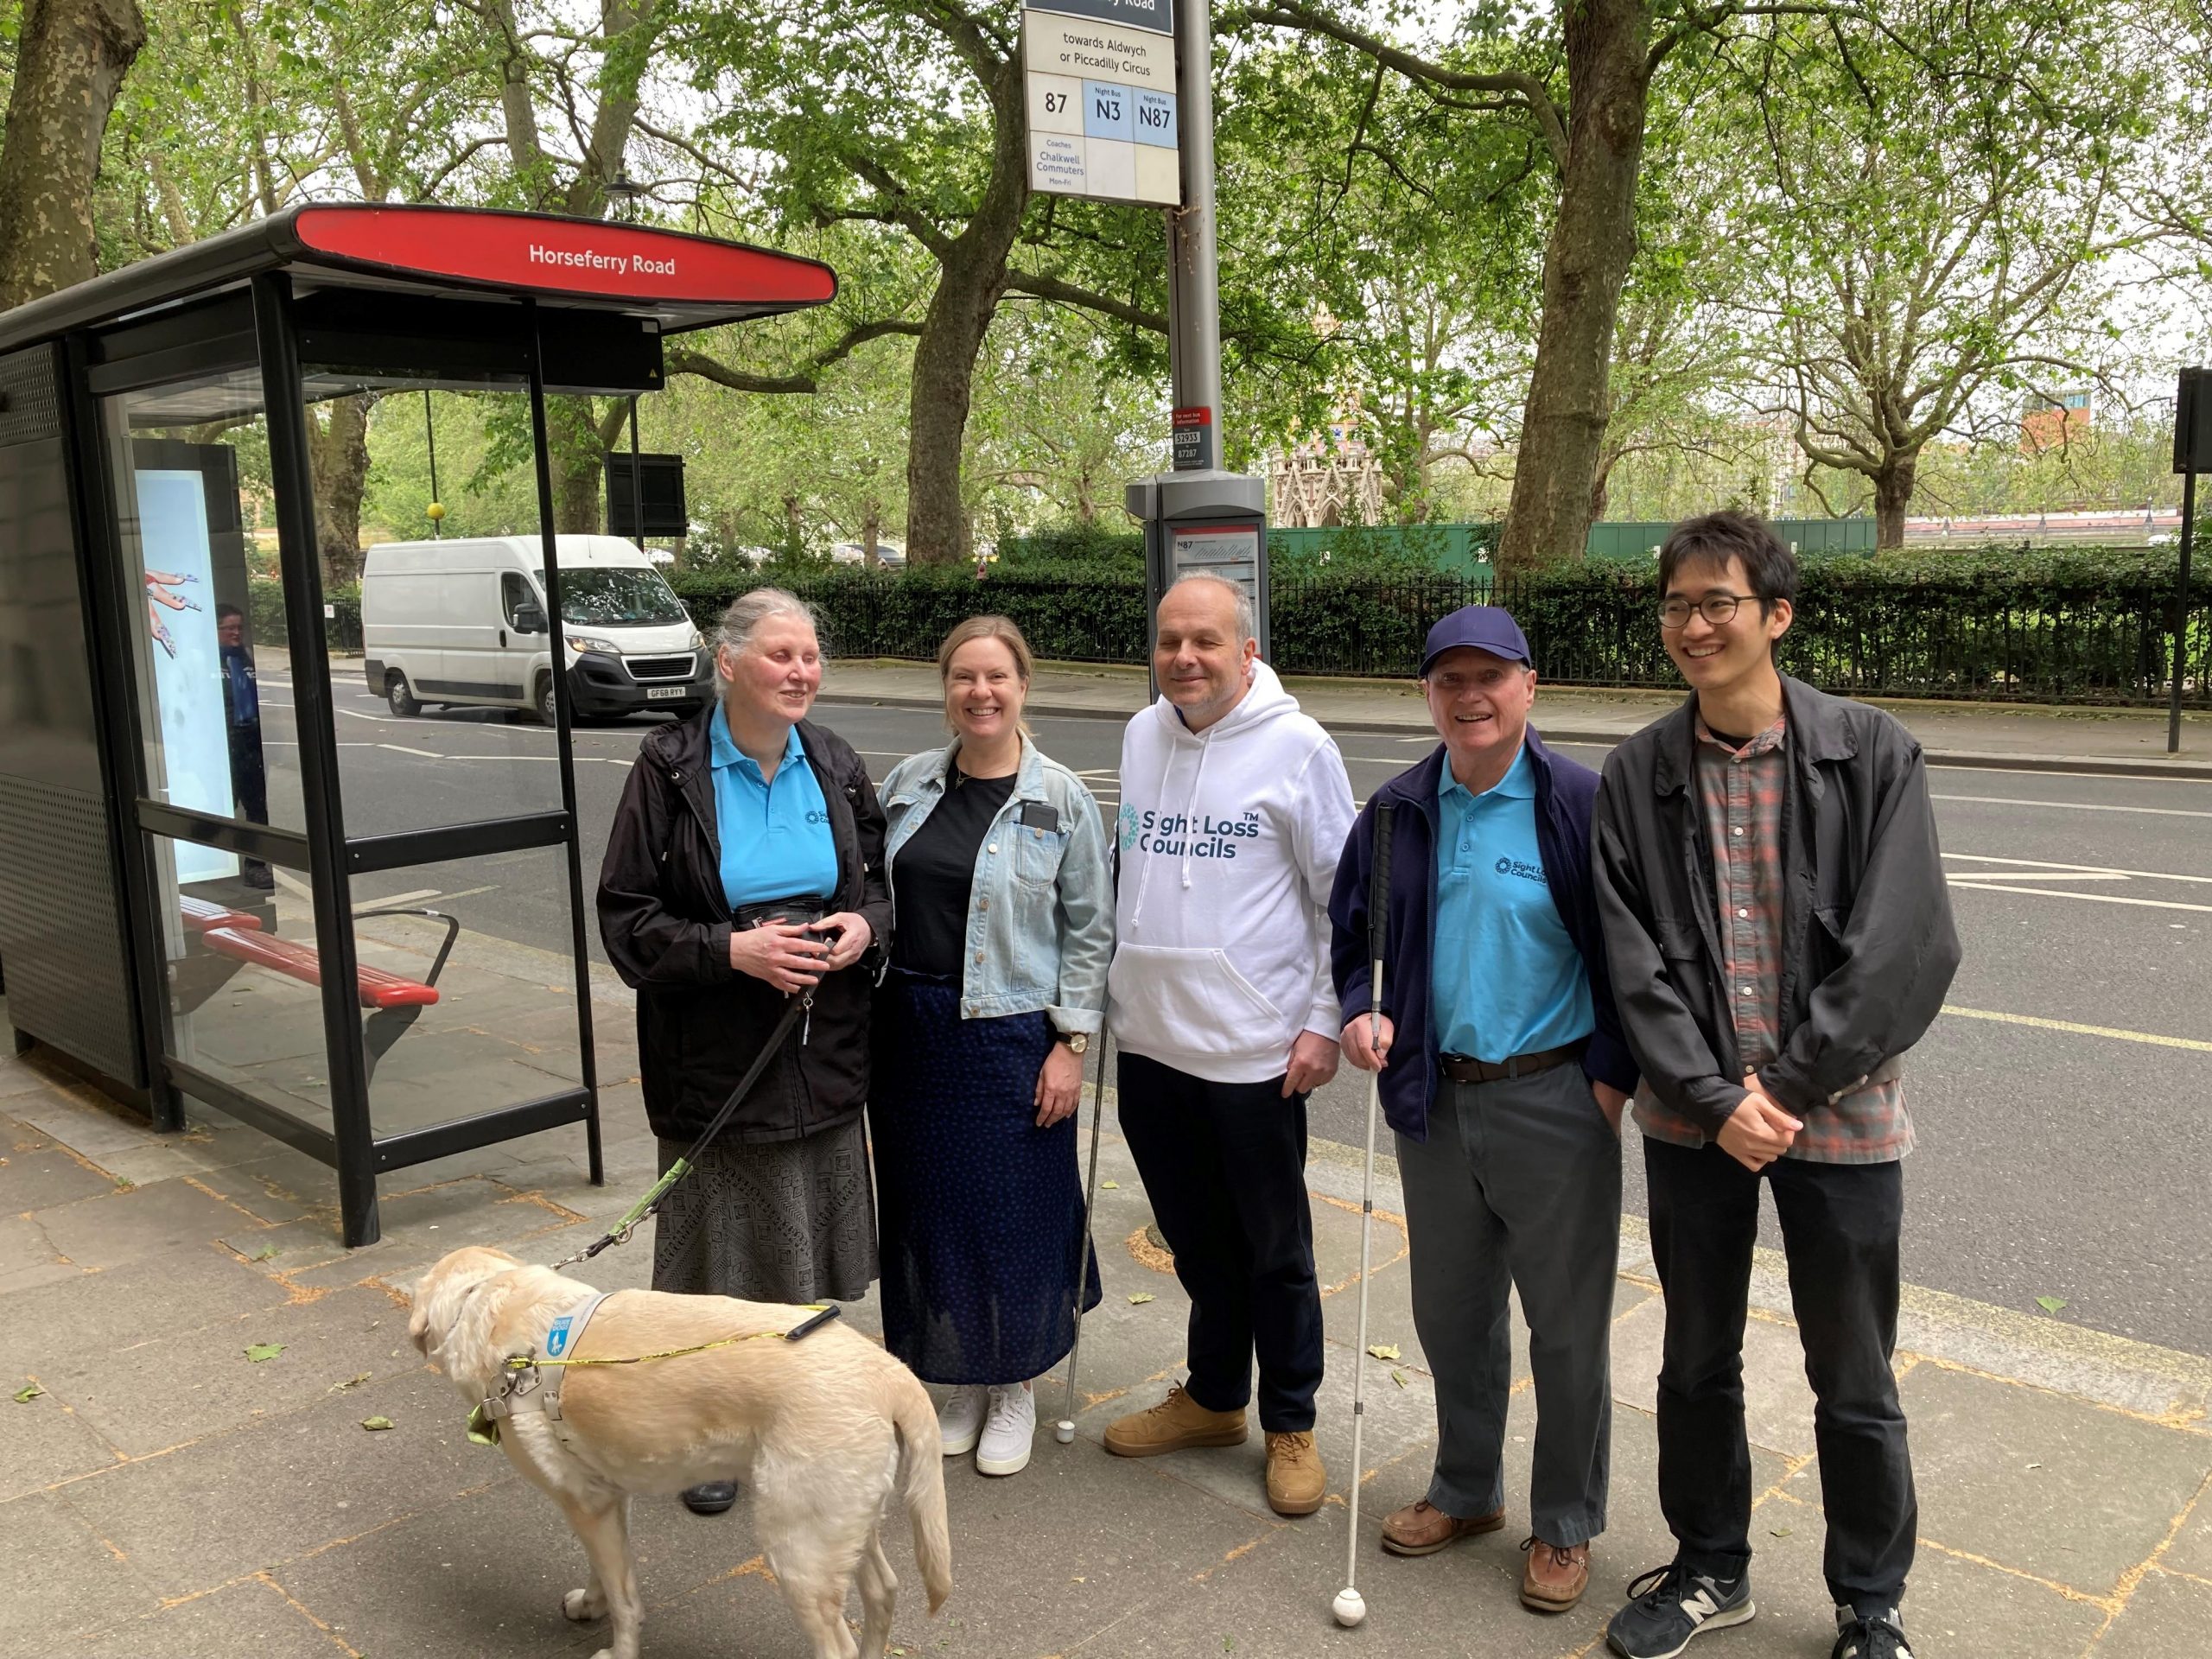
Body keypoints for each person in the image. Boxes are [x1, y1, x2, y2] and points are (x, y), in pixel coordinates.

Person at [1592, 512, 1960, 1659]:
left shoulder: (1873, 752)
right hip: (1693, 1119)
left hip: (1839, 1112)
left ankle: (1870, 1602)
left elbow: (1908, 946)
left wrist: (1788, 1089)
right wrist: (1712, 1097)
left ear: (1776, 616)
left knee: (1852, 1371)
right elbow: (1630, 956)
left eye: (1718, 604)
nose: (1693, 626)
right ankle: (1710, 1567)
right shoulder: (1641, 773)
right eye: (1676, 607)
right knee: (1694, 1356)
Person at [1328, 605, 1638, 1615]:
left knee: (1565, 1330)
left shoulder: (1581, 804)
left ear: (1527, 686)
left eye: (1489, 678)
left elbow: (1634, 959)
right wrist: (1361, 1013)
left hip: (1554, 1100)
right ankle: (1466, 1491)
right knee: (1453, 1319)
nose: (1470, 697)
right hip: (1435, 1099)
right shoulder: (1393, 814)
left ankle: (1564, 1524)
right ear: (1428, 694)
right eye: (1448, 680)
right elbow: (1353, 938)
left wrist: (1608, 1078)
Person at [597, 588, 891, 1517]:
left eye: (810, 655)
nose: (801, 671)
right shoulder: (669, 766)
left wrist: (858, 929)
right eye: (780, 655)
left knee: (803, 1275)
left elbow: (880, 889)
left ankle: (797, 1423)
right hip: (718, 1072)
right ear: (727, 663)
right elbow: (627, 921)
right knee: (718, 1282)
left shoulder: (835, 763)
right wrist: (733, 951)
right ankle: (710, 1438)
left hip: (820, 1061)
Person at [1101, 573, 1355, 1519]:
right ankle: (1214, 1398)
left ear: (1246, 650)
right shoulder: (1139, 733)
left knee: (1273, 1250)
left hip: (1253, 1050)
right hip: (1154, 1043)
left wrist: (1325, 1018)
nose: (1185, 659)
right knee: (1196, 1245)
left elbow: (1343, 901)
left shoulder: (1299, 748)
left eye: (1205, 641)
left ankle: (1291, 1418)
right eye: (1169, 641)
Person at [872, 615, 1113, 1478]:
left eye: (996, 678)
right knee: (931, 1212)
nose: (980, 692)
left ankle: (1013, 1382)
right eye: (963, 678)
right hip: (911, 1034)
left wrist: (1071, 1047)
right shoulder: (905, 784)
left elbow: (1090, 932)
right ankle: (959, 1377)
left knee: (1015, 1217)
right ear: (945, 690)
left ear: (1022, 687)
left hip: (1012, 1036)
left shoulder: (1061, 799)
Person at [216, 605, 273, 890]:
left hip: (251, 743)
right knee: (224, 805)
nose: (236, 632)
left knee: (257, 807)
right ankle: (213, 862)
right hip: (222, 744)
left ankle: (256, 865)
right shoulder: (208, 660)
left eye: (239, 627)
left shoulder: (247, 656)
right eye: (229, 628)